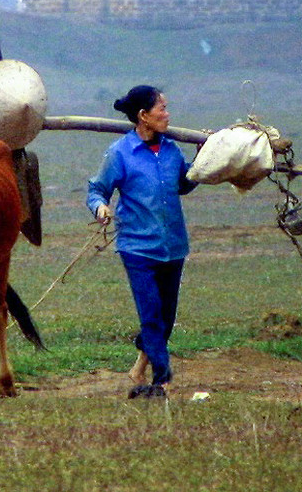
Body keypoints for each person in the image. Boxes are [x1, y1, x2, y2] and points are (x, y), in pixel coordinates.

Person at [86, 84, 196, 399]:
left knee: (166, 317)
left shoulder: (173, 149)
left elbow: (184, 185)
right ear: (144, 116)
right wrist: (101, 207)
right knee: (150, 314)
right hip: (137, 247)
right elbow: (97, 189)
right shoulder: (120, 153)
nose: (167, 113)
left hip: (173, 245)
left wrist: (207, 158)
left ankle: (139, 366)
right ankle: (162, 379)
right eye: (162, 108)